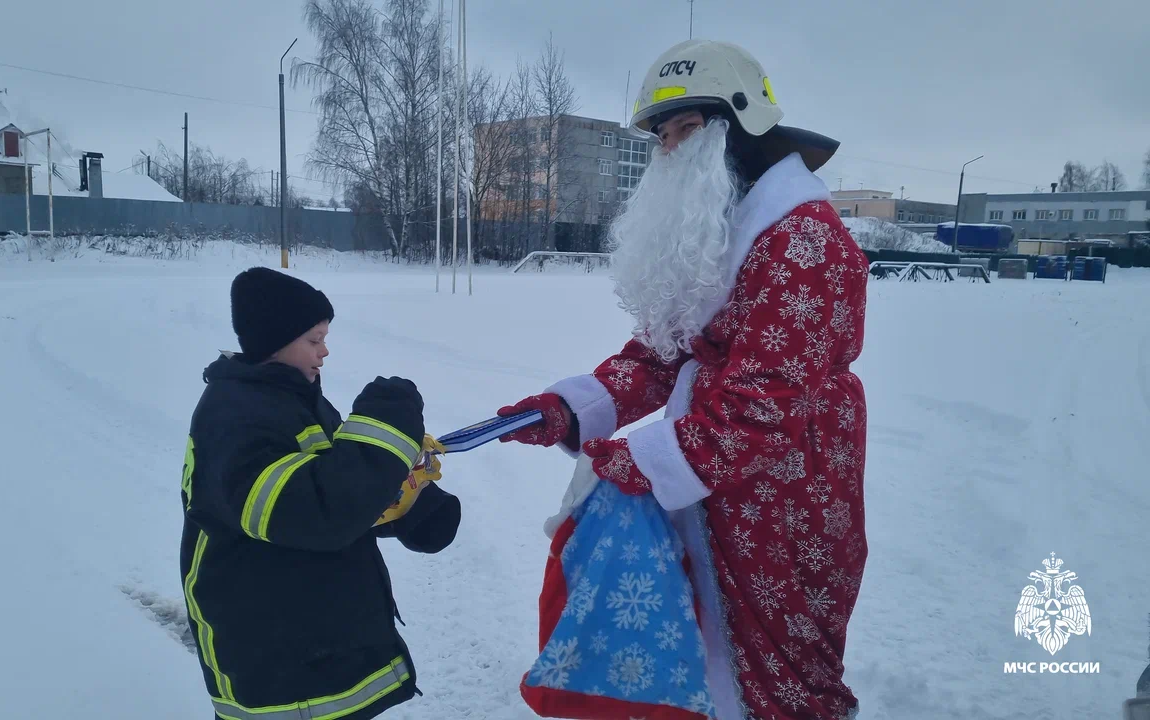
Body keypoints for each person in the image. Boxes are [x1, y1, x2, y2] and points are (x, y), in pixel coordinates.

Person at [500, 39, 869, 720]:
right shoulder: (723, 230)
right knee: (712, 654)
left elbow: (762, 408)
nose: (669, 150)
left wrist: (640, 460)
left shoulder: (805, 242)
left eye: (686, 130)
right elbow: (661, 353)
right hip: (717, 481)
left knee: (784, 676)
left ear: (742, 126)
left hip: (787, 493)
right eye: (663, 135)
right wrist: (567, 410)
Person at [180, 267, 461, 720]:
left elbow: (340, 481)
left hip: (315, 635)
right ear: (276, 340)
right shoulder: (234, 418)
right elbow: (314, 510)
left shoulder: (295, 398)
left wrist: (410, 504)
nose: (325, 351)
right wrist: (387, 427)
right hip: (274, 654)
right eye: (314, 339)